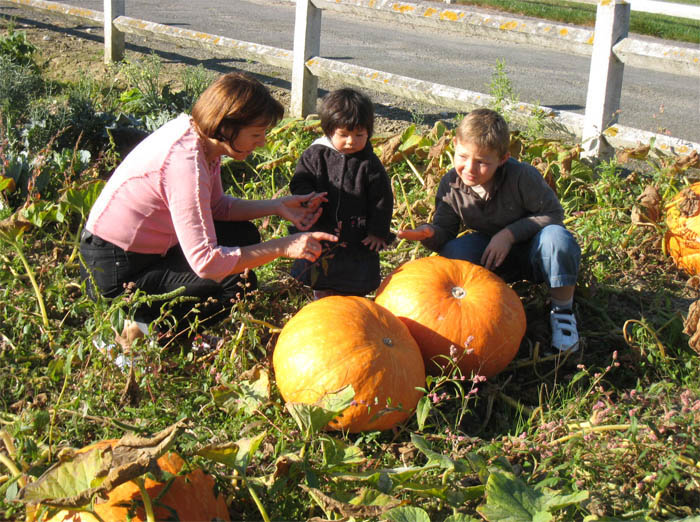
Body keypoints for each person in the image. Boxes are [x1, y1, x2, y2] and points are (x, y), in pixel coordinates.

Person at [80, 72, 336, 347]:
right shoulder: (184, 163)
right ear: (226, 127)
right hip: (116, 271)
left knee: (243, 236)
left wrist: (276, 206)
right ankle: (141, 330)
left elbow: (216, 207)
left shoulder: (199, 140)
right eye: (256, 134)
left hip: (145, 254)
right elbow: (206, 262)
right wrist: (284, 246)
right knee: (237, 284)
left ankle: (154, 323)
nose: (261, 142)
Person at [398, 108, 581, 352]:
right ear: (454, 145)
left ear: (503, 158)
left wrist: (508, 234)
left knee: (558, 239)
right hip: (492, 254)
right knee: (454, 252)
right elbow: (445, 231)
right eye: (462, 157)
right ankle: (487, 301)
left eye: (482, 162)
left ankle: (562, 310)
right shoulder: (451, 185)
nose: (470, 168)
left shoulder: (521, 176)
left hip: (536, 250)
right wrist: (428, 234)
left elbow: (554, 215)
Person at [288, 88, 394, 299]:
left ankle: (354, 302)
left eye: (359, 135)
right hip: (322, 223)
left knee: (355, 278)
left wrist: (377, 232)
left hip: (357, 233)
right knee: (320, 268)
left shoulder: (369, 164)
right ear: (329, 131)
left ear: (369, 132)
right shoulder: (315, 155)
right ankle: (322, 299)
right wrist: (308, 196)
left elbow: (382, 199)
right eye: (343, 135)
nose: (351, 141)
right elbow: (300, 180)